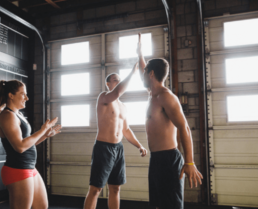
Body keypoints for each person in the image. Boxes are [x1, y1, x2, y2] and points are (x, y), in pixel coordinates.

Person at [137, 33, 203, 209]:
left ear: (151, 74)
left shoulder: (166, 97)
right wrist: (140, 55)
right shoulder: (152, 94)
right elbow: (142, 69)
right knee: (157, 205)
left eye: (144, 72)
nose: (141, 74)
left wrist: (189, 162)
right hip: (156, 159)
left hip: (169, 159)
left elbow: (185, 128)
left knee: (171, 206)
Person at [83, 64, 148, 209]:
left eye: (119, 79)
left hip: (118, 149)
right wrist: (133, 72)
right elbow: (118, 92)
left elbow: (126, 130)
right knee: (96, 189)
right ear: (108, 84)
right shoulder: (104, 97)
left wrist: (140, 145)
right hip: (103, 148)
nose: (118, 82)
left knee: (115, 188)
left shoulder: (123, 106)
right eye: (115, 80)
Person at [0, 80, 62, 209]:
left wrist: (45, 135)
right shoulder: (7, 116)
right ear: (11, 95)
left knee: (42, 206)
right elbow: (20, 147)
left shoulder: (19, 115)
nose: (27, 98)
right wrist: (41, 131)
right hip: (17, 169)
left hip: (29, 168)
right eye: (23, 94)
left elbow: (29, 143)